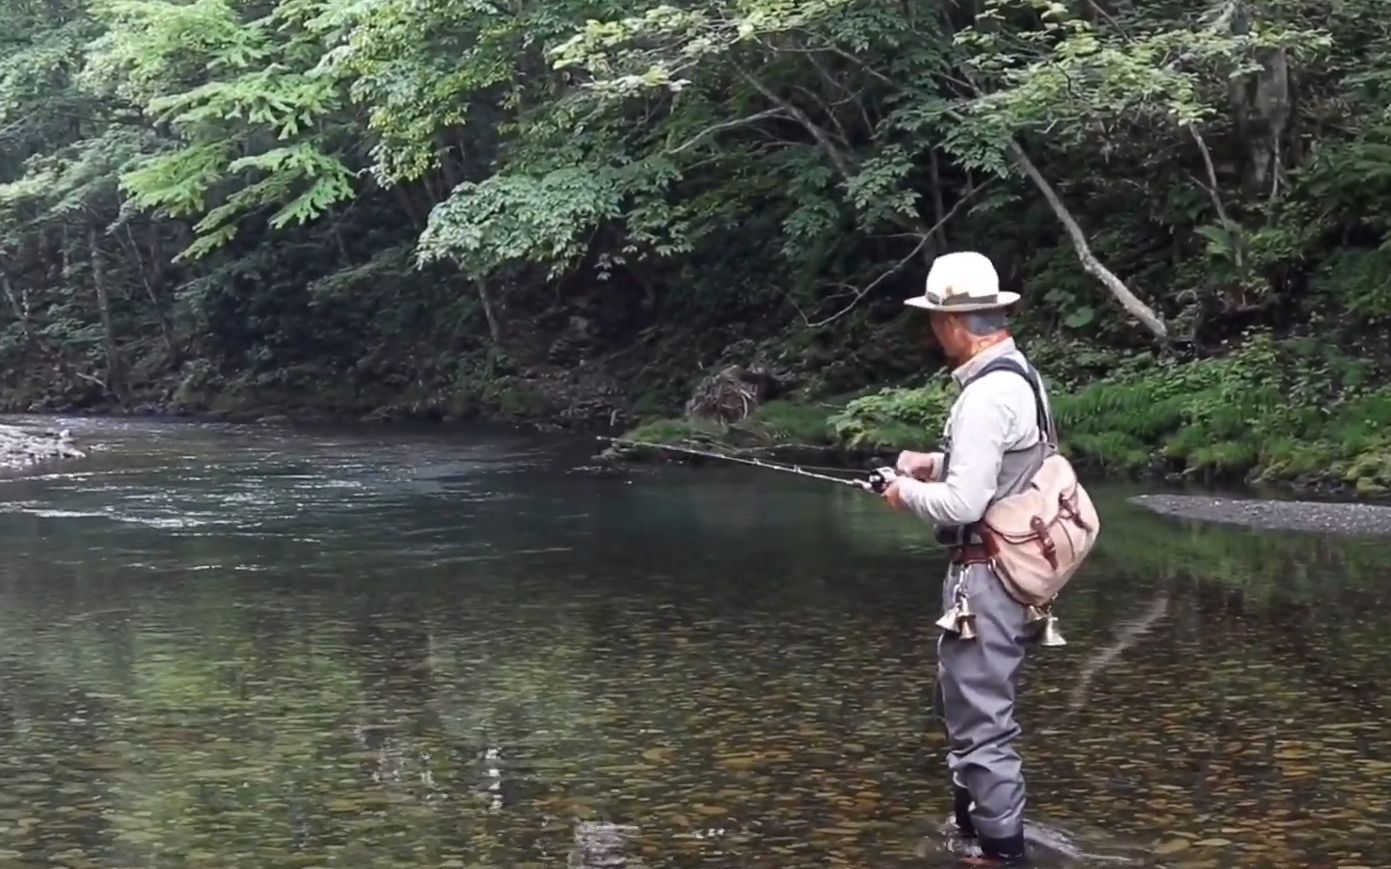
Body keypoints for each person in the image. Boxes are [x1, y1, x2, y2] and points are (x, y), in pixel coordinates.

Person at [880, 250, 1056, 865]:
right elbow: (1009, 469)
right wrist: (931, 463)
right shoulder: (1019, 375)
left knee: (981, 723)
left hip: (985, 582)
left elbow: (961, 503)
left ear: (952, 324)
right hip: (1009, 577)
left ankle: (1002, 854)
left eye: (934, 320)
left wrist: (903, 492)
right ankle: (972, 835)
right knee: (966, 704)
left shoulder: (984, 396)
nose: (933, 332)